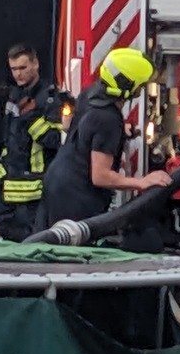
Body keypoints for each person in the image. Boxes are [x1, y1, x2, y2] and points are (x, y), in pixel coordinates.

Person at [34, 48, 171, 231]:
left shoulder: (89, 94)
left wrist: (122, 132)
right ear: (128, 85)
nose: (142, 89)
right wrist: (142, 182)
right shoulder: (108, 119)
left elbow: (79, 129)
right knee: (70, 253)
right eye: (142, 85)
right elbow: (100, 176)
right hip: (77, 195)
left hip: (57, 182)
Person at [0, 43, 67, 241]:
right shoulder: (15, 96)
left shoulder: (50, 99)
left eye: (23, 68)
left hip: (35, 187)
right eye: (14, 69)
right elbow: (9, 138)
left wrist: (30, 116)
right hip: (7, 181)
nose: (18, 74)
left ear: (35, 64)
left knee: (30, 240)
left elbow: (56, 140)